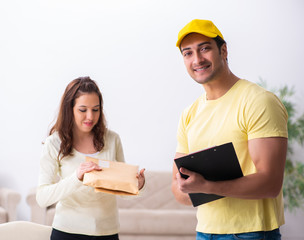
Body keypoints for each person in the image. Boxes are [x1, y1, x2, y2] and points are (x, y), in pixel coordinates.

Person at [171, 19, 288, 240]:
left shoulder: (258, 101)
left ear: (223, 50)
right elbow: (178, 190)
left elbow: (271, 183)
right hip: (205, 232)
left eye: (205, 48)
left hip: (251, 233)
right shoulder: (189, 114)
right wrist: (190, 186)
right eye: (188, 53)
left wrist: (206, 185)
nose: (197, 59)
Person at [36, 76, 145, 240]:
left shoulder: (112, 139)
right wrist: (76, 177)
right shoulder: (54, 143)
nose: (90, 117)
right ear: (70, 109)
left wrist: (137, 184)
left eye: (95, 109)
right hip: (67, 231)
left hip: (106, 232)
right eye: (82, 110)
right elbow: (42, 197)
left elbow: (122, 191)